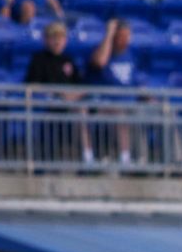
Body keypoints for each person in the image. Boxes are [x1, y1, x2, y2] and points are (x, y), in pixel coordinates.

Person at [24, 21, 94, 164]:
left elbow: (81, 85)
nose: (57, 41)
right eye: (53, 37)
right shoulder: (39, 59)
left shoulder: (68, 60)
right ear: (45, 39)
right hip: (48, 105)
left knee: (82, 110)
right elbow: (33, 85)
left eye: (60, 37)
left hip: (69, 106)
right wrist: (58, 94)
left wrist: (74, 95)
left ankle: (88, 157)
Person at [86, 19, 138, 166]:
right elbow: (100, 62)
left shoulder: (131, 56)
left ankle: (165, 162)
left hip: (130, 104)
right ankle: (125, 159)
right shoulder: (100, 51)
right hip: (103, 104)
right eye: (121, 36)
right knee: (119, 114)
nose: (125, 41)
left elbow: (136, 83)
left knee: (161, 112)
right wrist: (108, 34)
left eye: (127, 36)